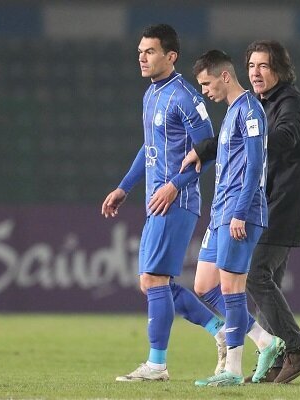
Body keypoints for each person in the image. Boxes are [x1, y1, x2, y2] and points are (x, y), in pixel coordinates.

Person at [181, 40, 300, 384]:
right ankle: (272, 350)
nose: (256, 72)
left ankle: (295, 347)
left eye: (264, 66)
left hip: (279, 206)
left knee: (255, 276)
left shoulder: (290, 104)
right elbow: (235, 141)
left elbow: (283, 139)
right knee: (260, 281)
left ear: (279, 70)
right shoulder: (253, 105)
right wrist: (206, 148)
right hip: (261, 202)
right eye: (252, 65)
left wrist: (252, 141)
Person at [101, 24, 226, 382]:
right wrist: (125, 187)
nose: (142, 57)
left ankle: (157, 365)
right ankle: (219, 330)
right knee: (151, 283)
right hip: (156, 200)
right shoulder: (151, 94)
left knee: (155, 280)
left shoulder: (186, 97)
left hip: (177, 200)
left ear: (171, 56)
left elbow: (208, 150)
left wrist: (175, 185)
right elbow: (150, 146)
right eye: (140, 51)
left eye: (150, 51)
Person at [189, 49, 285, 387]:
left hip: (240, 212)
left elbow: (256, 164)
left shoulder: (250, 110)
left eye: (207, 83)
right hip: (220, 212)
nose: (205, 91)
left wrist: (241, 212)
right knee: (204, 285)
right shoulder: (231, 112)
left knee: (231, 287)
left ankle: (232, 368)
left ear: (225, 76)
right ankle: (264, 340)